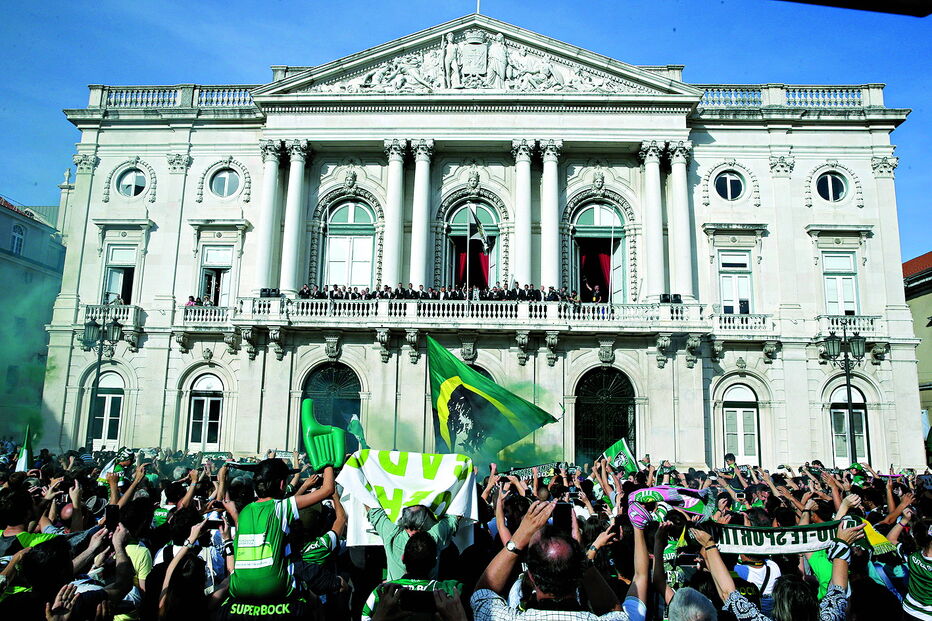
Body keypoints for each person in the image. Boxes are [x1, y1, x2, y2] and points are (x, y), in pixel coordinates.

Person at [228, 459, 335, 600]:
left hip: (238, 588)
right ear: (282, 484)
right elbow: (327, 490)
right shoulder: (282, 507)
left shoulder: (244, 511)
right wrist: (327, 463)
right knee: (314, 601)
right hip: (275, 586)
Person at [361, 531, 464, 621]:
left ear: (403, 558)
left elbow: (364, 617)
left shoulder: (383, 592)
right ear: (434, 562)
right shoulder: (449, 590)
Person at [366, 504, 460, 581]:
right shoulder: (435, 538)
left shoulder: (392, 536)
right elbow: (456, 514)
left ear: (403, 558)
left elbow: (372, 509)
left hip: (395, 596)